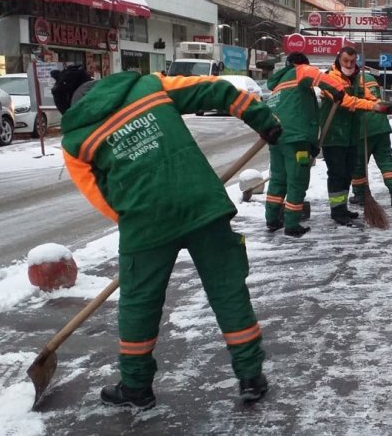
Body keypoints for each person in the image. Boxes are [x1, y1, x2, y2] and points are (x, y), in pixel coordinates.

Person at [52, 64, 282, 409]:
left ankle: (136, 388)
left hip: (145, 224)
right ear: (93, 82)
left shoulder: (74, 141)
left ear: (67, 107)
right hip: (202, 203)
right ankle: (251, 377)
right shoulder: (149, 85)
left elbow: (100, 197)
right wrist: (263, 120)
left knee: (138, 305)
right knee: (228, 289)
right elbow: (216, 90)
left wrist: (141, 218)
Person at [262, 52, 348, 237]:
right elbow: (318, 76)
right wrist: (338, 90)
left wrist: (313, 145)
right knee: (297, 179)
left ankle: (272, 219)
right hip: (295, 139)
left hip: (276, 137)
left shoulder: (278, 85)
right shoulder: (299, 70)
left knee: (278, 179)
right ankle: (292, 224)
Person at [319, 47, 392, 226]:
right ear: (338, 59)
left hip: (351, 134)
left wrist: (384, 105)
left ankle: (342, 207)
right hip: (334, 134)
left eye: (352, 61)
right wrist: (374, 107)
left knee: (348, 172)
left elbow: (369, 97)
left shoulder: (357, 79)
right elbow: (345, 101)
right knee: (337, 173)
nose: (349, 64)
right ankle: (337, 211)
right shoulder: (329, 78)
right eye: (345, 60)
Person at [349, 72, 392, 207]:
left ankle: (360, 195)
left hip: (363, 128)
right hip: (381, 125)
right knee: (386, 160)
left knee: (359, 164)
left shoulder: (350, 82)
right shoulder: (370, 78)